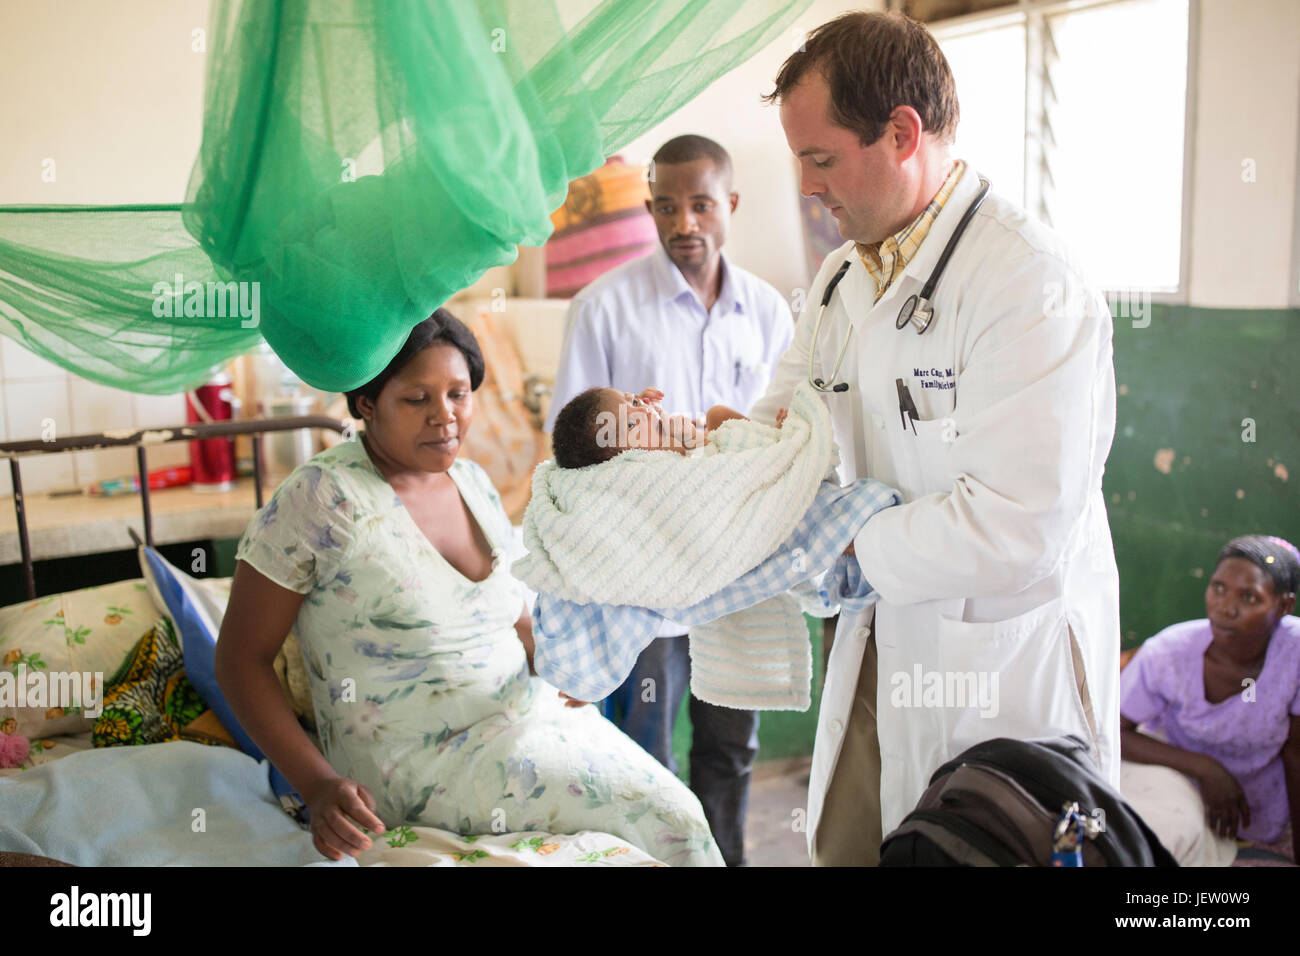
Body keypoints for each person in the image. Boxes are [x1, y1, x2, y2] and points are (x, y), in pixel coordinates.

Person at [751, 11, 1121, 865]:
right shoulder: (843, 278)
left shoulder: (1031, 285)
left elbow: (1019, 523)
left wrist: (840, 549)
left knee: (973, 846)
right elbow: (784, 420)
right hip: (882, 639)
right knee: (850, 846)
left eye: (821, 157)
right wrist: (714, 455)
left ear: (901, 133)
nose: (808, 185)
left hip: (993, 672)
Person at [214, 310, 723, 867]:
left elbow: (509, 619)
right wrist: (317, 785)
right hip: (416, 764)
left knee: (676, 811)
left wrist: (569, 664)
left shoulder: (472, 482)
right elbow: (241, 659)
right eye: (417, 399)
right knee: (671, 819)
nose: (445, 416)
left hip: (526, 721)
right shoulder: (321, 499)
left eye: (459, 393)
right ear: (366, 404)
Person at [544, 134, 793, 866]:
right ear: (650, 208)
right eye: (666, 207)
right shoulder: (603, 309)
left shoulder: (771, 314)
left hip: (736, 568)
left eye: (702, 205)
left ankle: (729, 859)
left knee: (730, 745)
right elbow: (575, 458)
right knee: (641, 747)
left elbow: (775, 436)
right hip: (643, 576)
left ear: (731, 206)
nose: (684, 223)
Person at [1119, 535, 1300, 866]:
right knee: (1164, 838)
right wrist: (1208, 770)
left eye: (1249, 597)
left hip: (1263, 797)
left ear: (1284, 606)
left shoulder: (1294, 654)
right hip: (1177, 773)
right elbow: (1113, 732)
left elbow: (1296, 751)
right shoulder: (1169, 652)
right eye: (1218, 588)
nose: (1226, 608)